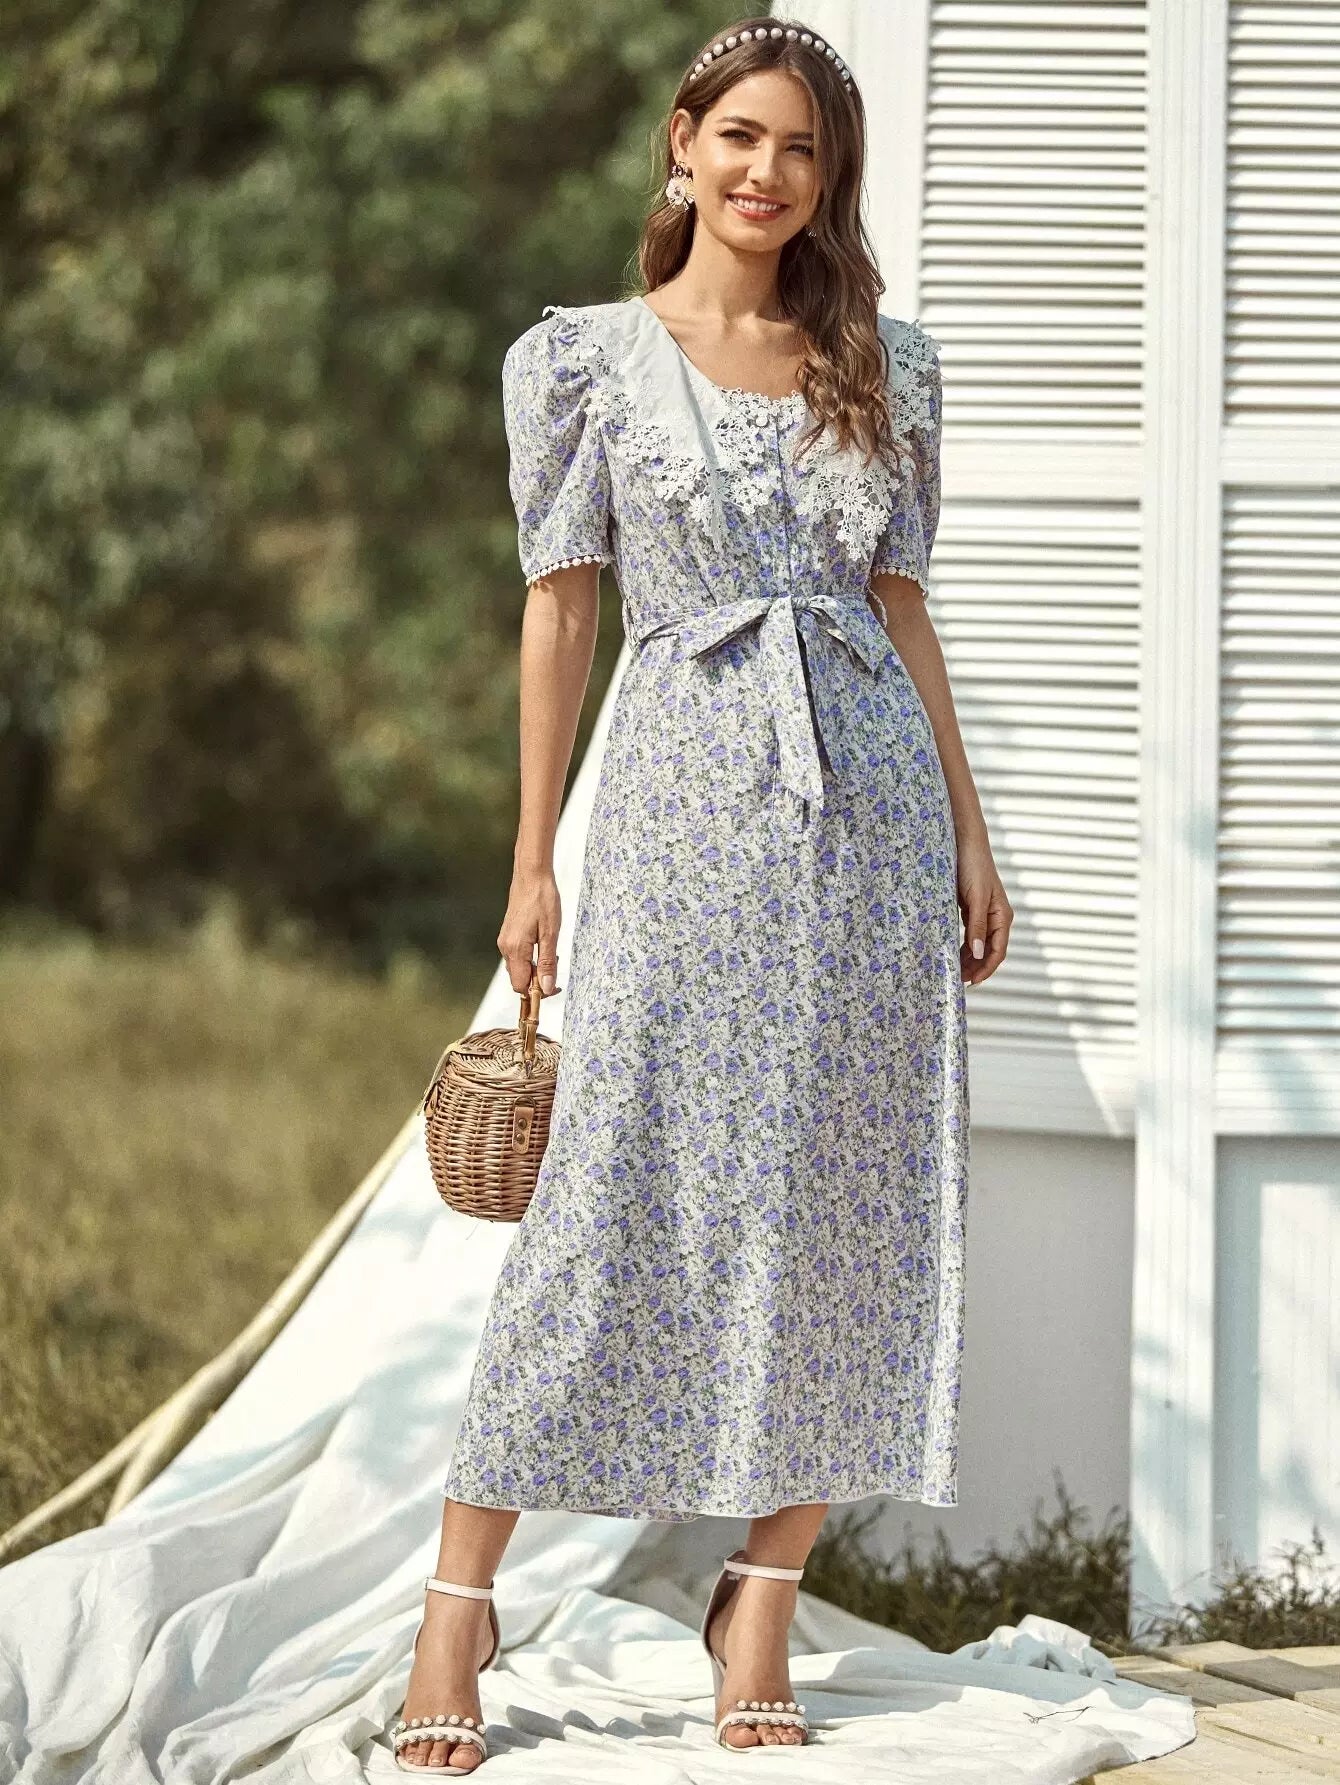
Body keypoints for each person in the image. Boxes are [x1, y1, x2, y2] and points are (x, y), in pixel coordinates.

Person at [391, 15, 1012, 1773]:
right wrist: (533, 856)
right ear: (684, 141)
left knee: (852, 1199)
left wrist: (970, 834)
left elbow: (897, 603)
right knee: (614, 1190)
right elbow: (562, 606)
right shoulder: (585, 361)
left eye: (802, 148)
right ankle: (456, 1608)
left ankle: (763, 1593)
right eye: (741, 135)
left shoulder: (882, 362)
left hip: (870, 815)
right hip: (679, 806)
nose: (767, 171)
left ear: (831, 178)